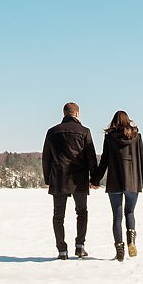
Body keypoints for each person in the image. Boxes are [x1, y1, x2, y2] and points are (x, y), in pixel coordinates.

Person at [91, 110, 143, 262]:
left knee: (117, 217)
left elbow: (104, 160)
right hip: (133, 181)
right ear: (128, 120)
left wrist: (96, 180)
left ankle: (119, 250)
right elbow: (142, 158)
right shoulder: (137, 136)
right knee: (129, 212)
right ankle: (131, 240)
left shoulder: (109, 138)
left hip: (114, 182)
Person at [42, 102, 98, 259]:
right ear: (77, 114)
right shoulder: (84, 131)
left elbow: (46, 158)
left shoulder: (52, 132)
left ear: (64, 113)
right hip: (79, 178)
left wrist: (48, 179)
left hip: (58, 178)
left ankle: (62, 250)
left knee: (58, 215)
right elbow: (91, 157)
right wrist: (94, 179)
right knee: (82, 212)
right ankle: (80, 246)